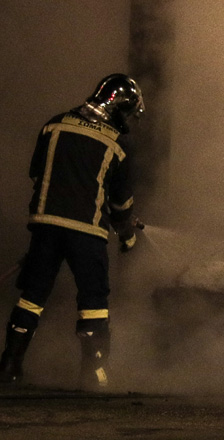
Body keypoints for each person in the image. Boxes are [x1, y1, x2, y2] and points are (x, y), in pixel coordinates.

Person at [0, 73, 144, 390]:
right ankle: (94, 375)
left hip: (45, 225)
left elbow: (36, 173)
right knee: (93, 300)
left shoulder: (54, 124)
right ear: (120, 107)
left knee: (33, 295)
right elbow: (121, 205)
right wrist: (128, 236)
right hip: (87, 231)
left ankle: (9, 366)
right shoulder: (118, 144)